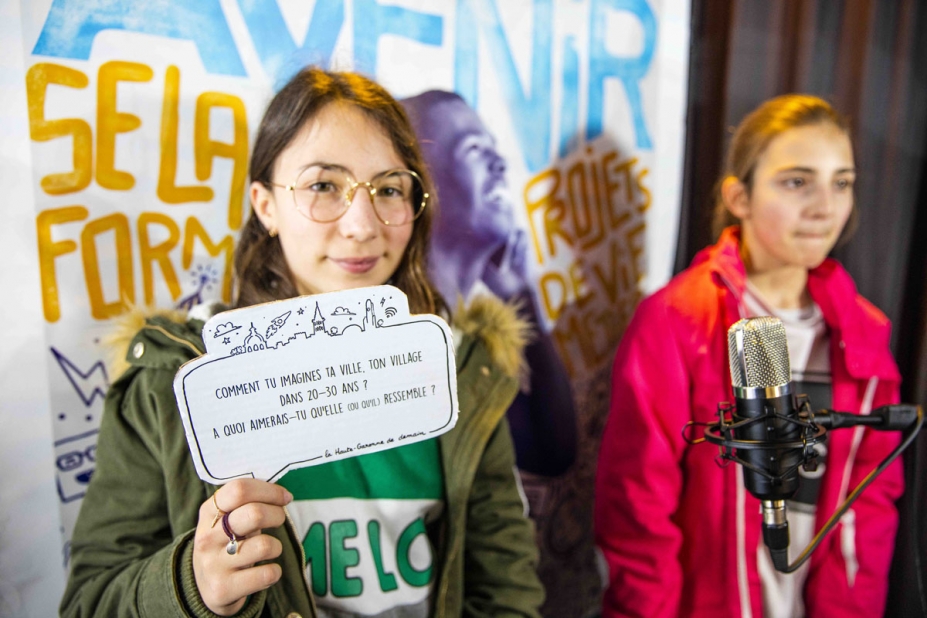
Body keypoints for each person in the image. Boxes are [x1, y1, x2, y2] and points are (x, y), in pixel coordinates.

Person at [60, 68, 544, 618]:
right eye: (322, 186)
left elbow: (504, 590)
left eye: (388, 189)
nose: (363, 225)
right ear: (265, 204)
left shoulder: (457, 372)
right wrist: (190, 583)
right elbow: (88, 603)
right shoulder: (174, 384)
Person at [594, 94, 903, 617]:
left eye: (841, 182)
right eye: (797, 181)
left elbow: (868, 506)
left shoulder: (864, 331)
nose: (825, 207)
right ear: (740, 196)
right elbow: (638, 508)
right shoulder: (678, 320)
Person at [402, 90, 576, 477]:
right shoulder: (397, 334)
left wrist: (523, 297)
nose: (500, 163)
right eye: (475, 151)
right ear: (423, 180)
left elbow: (553, 452)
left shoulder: (472, 337)